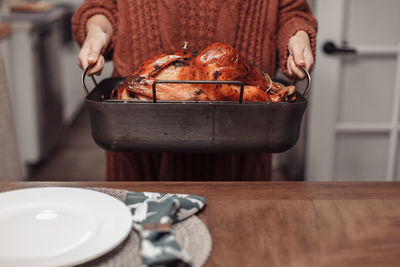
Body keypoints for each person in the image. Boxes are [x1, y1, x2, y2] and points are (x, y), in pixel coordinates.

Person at [72, 0, 317, 181]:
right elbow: (103, 7)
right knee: (143, 240)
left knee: (236, 238)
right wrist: (97, 31)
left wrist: (296, 36)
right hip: (137, 133)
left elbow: (290, 10)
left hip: (243, 132)